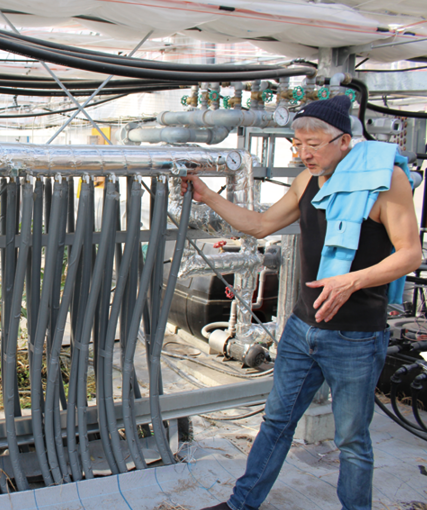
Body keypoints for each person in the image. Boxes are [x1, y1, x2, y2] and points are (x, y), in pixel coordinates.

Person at [180, 95, 422, 510]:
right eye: (297, 144)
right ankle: (242, 505)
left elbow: (410, 254)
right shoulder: (307, 181)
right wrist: (207, 196)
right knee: (276, 422)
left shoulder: (385, 181)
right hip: (302, 328)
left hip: (356, 337)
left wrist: (351, 281)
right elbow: (260, 225)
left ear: (344, 141)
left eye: (313, 144)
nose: (303, 153)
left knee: (351, 439)